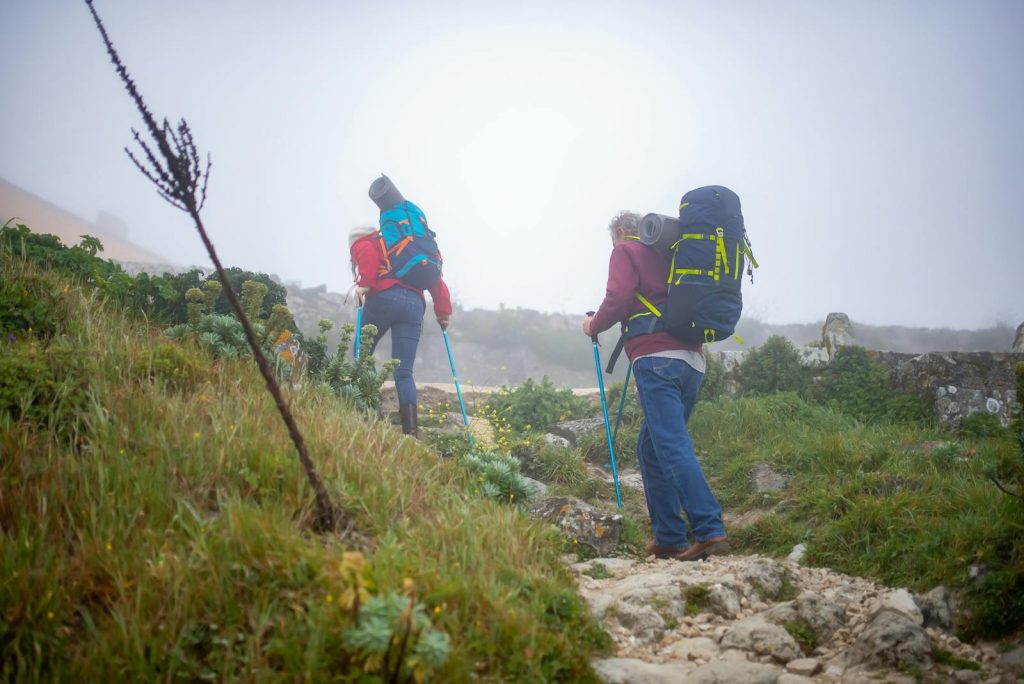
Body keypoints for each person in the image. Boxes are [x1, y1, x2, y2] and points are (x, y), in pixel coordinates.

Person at [583, 211, 728, 561]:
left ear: (620, 231)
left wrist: (593, 325)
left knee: (671, 444)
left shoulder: (625, 250)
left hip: (656, 359)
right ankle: (669, 536)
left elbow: (617, 299)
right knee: (651, 448)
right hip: (692, 362)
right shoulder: (673, 253)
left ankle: (709, 530)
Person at [349, 224, 452, 437]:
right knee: (404, 371)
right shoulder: (408, 247)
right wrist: (443, 313)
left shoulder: (365, 241)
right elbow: (436, 281)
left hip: (384, 298)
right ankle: (411, 433)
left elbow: (368, 258)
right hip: (414, 305)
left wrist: (365, 284)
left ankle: (370, 408)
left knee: (362, 352)